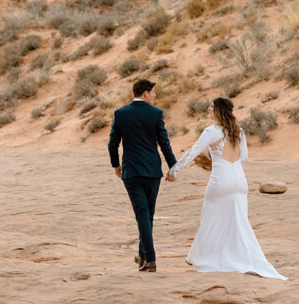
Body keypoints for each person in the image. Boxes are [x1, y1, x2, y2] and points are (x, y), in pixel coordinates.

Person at [166, 96, 287, 280]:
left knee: (210, 217)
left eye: (211, 106)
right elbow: (244, 156)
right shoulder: (239, 131)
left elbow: (193, 152)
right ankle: (237, 256)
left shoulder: (211, 131)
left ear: (218, 110)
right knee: (238, 221)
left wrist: (174, 170)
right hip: (240, 181)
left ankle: (202, 257)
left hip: (221, 181)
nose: (208, 108)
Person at [108, 78, 177, 273]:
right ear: (145, 93)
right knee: (148, 214)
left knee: (142, 214)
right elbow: (164, 143)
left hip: (131, 172)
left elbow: (112, 144)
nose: (155, 96)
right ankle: (143, 255)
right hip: (153, 171)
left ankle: (149, 259)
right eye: (153, 92)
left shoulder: (120, 114)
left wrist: (116, 165)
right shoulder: (155, 114)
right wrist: (173, 166)